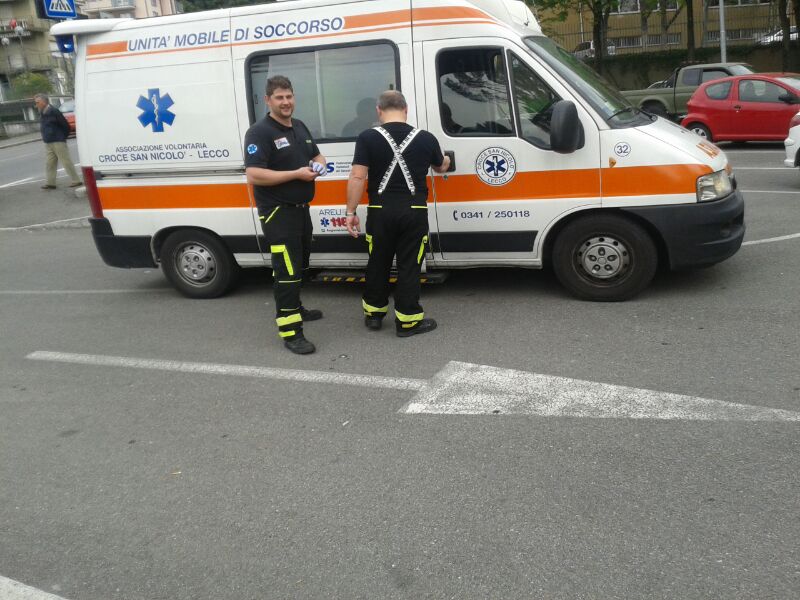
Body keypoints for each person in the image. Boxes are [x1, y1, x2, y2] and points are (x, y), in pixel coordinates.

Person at [345, 90, 450, 337]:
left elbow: (358, 176)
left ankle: (374, 314)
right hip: (414, 211)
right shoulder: (426, 138)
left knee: (378, 263)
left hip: (380, 211)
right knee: (409, 265)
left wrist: (350, 211)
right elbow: (440, 167)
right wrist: (445, 159)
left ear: (379, 111)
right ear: (405, 109)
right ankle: (408, 321)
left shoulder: (367, 137)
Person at [244, 75, 327, 355]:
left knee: (300, 266)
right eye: (279, 97)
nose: (285, 102)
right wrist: (296, 174)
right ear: (268, 100)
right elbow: (254, 174)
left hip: (301, 211)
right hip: (278, 213)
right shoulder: (259, 132)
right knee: (287, 272)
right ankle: (291, 333)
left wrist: (319, 165)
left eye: (289, 96)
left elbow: (317, 156)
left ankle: (296, 307)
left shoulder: (299, 126)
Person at [34, 94, 82, 190]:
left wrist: (62, 137)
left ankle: (76, 180)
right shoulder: (42, 112)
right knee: (50, 163)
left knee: (66, 161)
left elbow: (65, 125)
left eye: (37, 102)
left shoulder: (54, 111)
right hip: (48, 141)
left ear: (44, 102)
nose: (36, 105)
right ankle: (50, 183)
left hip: (58, 141)